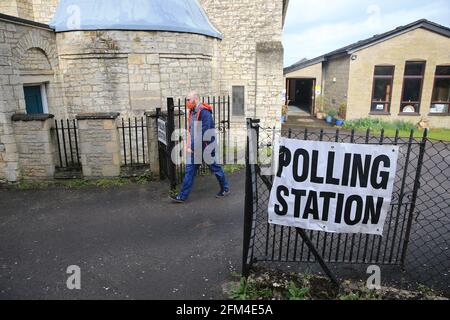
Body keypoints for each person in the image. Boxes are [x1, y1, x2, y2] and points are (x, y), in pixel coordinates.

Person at [169, 91, 229, 203]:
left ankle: (225, 188)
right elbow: (191, 131)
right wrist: (189, 145)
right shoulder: (192, 112)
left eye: (188, 100)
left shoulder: (204, 112)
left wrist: (193, 147)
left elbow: (205, 132)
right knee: (189, 171)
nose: (187, 102)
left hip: (206, 148)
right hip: (194, 149)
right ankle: (182, 196)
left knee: (215, 169)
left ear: (195, 99)